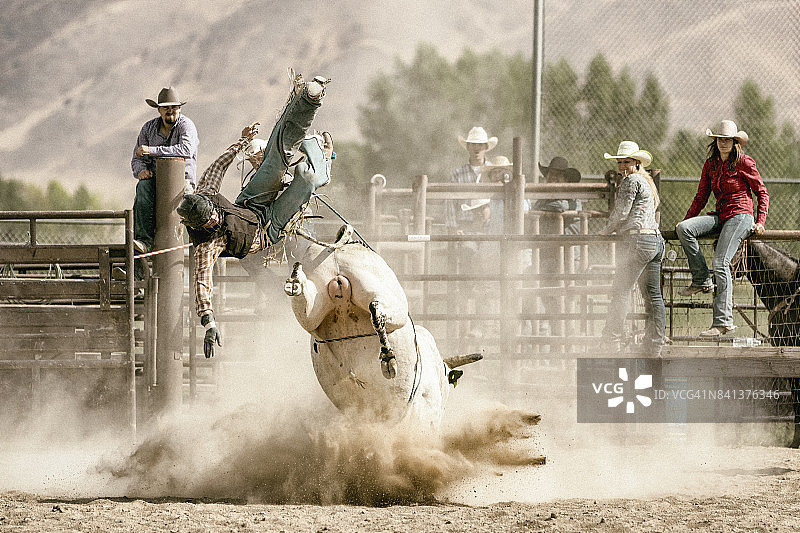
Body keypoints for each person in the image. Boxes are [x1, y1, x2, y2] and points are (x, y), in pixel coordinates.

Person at [177, 74, 332, 358]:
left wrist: (241, 142)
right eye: (208, 222)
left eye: (212, 214)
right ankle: (322, 163)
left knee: (276, 157)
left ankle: (309, 101)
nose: (213, 220)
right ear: (198, 226)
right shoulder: (205, 246)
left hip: (251, 202)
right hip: (267, 230)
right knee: (306, 177)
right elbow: (202, 284)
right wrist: (209, 323)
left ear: (208, 203)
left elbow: (219, 165)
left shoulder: (207, 192)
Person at [675, 120, 769, 337]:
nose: (723, 143)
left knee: (720, 261)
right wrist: (686, 219)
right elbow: (701, 196)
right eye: (720, 139)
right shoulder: (711, 164)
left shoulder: (744, 162)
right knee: (685, 230)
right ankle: (701, 279)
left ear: (735, 142)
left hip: (741, 216)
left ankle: (723, 322)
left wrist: (760, 221)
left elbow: (762, 193)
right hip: (721, 215)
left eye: (727, 140)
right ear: (715, 141)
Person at [600, 141, 665, 355]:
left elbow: (621, 212)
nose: (622, 166)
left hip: (638, 240)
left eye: (626, 162)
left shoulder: (630, 181)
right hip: (655, 241)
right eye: (620, 162)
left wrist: (605, 231)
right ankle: (655, 341)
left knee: (621, 290)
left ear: (637, 163)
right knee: (653, 294)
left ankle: (611, 341)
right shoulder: (647, 182)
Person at [131, 86, 200, 254]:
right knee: (142, 189)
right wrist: (141, 171)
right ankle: (144, 242)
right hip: (155, 181)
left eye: (174, 107)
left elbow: (185, 150)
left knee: (193, 208)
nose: (170, 111)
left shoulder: (186, 126)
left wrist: (152, 150)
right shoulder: (148, 129)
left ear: (179, 109)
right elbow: (137, 158)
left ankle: (195, 248)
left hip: (182, 183)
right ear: (159, 109)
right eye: (166, 107)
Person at [529, 156, 582, 348]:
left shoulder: (570, 196)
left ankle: (566, 344)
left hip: (566, 255)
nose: (554, 179)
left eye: (559, 176)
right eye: (551, 175)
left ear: (567, 179)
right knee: (549, 298)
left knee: (564, 299)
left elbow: (560, 207)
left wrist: (542, 207)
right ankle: (556, 343)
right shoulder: (547, 197)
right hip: (548, 253)